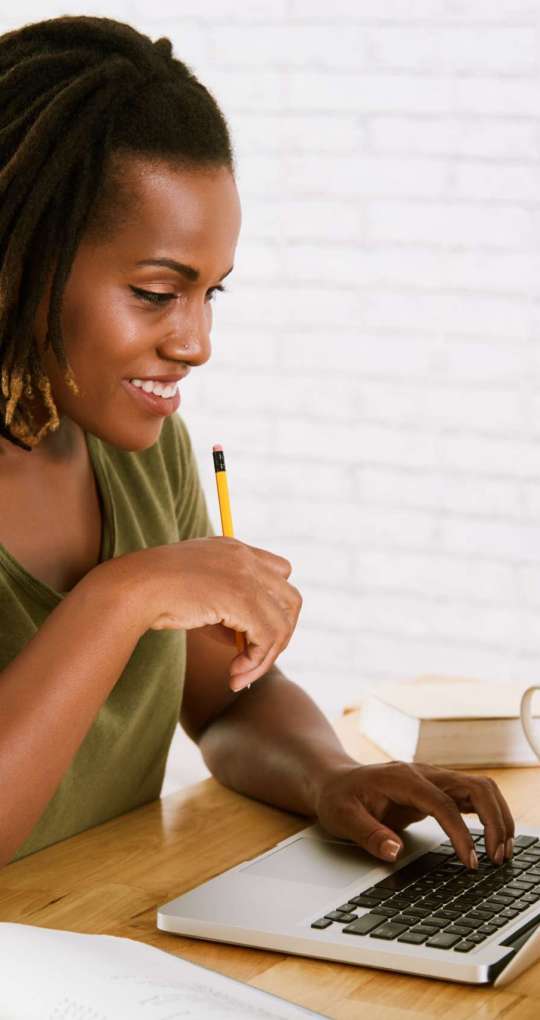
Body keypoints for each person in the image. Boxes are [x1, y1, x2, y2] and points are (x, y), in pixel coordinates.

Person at [0, 14, 514, 870]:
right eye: (156, 292)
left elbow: (227, 704)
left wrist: (330, 777)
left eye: (211, 294)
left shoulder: (143, 449)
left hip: (104, 946)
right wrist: (120, 599)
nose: (195, 342)